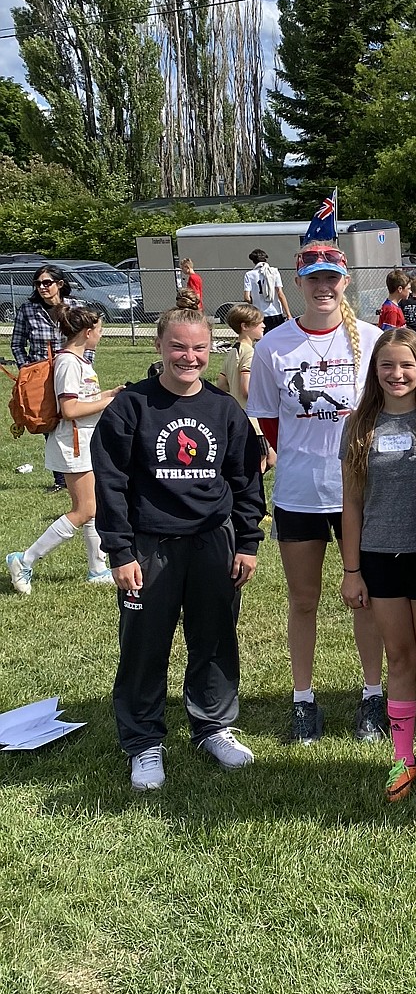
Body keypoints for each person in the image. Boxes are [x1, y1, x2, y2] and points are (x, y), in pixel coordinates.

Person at [92, 306, 265, 791]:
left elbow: (246, 480)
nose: (189, 357)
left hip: (213, 541)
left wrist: (247, 541)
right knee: (145, 645)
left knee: (214, 637)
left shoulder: (223, 409)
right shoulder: (131, 407)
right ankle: (144, 741)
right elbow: (110, 484)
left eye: (199, 348)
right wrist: (121, 551)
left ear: (212, 351)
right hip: (150, 546)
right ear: (159, 347)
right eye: (179, 347)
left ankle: (212, 726)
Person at [247, 242, 385, 745]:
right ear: (299, 283)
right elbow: (267, 418)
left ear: (345, 281)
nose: (324, 287)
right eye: (314, 279)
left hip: (362, 491)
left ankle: (373, 696)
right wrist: (308, 457)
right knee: (303, 600)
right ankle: (303, 699)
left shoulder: (371, 340)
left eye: (333, 278)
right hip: (300, 492)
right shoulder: (273, 346)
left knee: (364, 598)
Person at [341, 329, 416, 802]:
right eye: (387, 366)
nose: (397, 375)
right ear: (375, 371)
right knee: (400, 658)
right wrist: (352, 570)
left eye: (406, 365)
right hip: (379, 557)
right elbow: (351, 504)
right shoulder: (359, 425)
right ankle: (401, 757)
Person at [7, 306, 123, 594]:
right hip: (73, 443)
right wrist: (106, 403)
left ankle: (97, 569)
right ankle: (24, 559)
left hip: (84, 441)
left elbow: (83, 398)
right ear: (87, 332)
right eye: (99, 329)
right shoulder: (69, 363)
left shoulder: (79, 361)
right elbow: (69, 408)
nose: (101, 334)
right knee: (83, 511)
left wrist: (109, 394)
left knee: (93, 508)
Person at [11, 264, 82, 491]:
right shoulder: (28, 310)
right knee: (48, 423)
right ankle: (60, 479)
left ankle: (82, 472)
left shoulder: (75, 308)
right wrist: (27, 370)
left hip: (69, 371)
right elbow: (17, 344)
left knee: (73, 421)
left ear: (59, 284)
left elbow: (87, 340)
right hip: (40, 376)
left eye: (46, 283)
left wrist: (84, 363)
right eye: (38, 284)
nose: (42, 287)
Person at [215, 304, 276, 474]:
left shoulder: (232, 352)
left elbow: (221, 384)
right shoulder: (250, 353)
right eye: (259, 323)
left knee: (271, 458)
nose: (264, 325)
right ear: (245, 326)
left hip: (239, 415)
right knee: (260, 463)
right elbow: (246, 389)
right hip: (253, 419)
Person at [243, 248, 291, 334]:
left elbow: (247, 297)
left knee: (263, 339)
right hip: (276, 312)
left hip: (260, 313)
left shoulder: (249, 275)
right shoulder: (274, 272)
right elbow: (280, 293)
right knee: (279, 338)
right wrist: (288, 314)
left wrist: (254, 301)